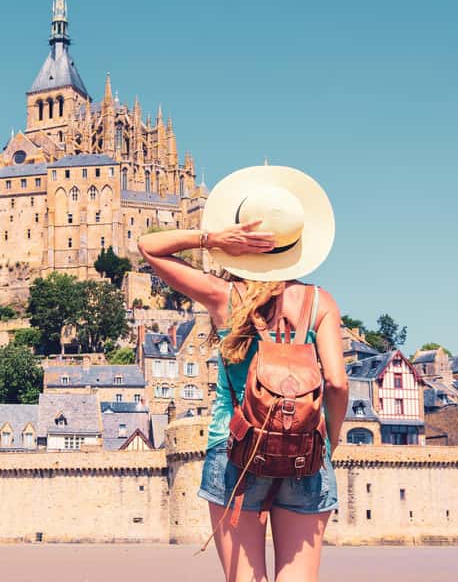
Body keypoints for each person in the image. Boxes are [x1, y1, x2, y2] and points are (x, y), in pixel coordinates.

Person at [137, 164, 348, 582]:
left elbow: (149, 247)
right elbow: (338, 383)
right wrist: (329, 443)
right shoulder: (320, 302)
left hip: (236, 447)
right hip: (307, 451)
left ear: (244, 246)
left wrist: (211, 240)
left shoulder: (222, 296)